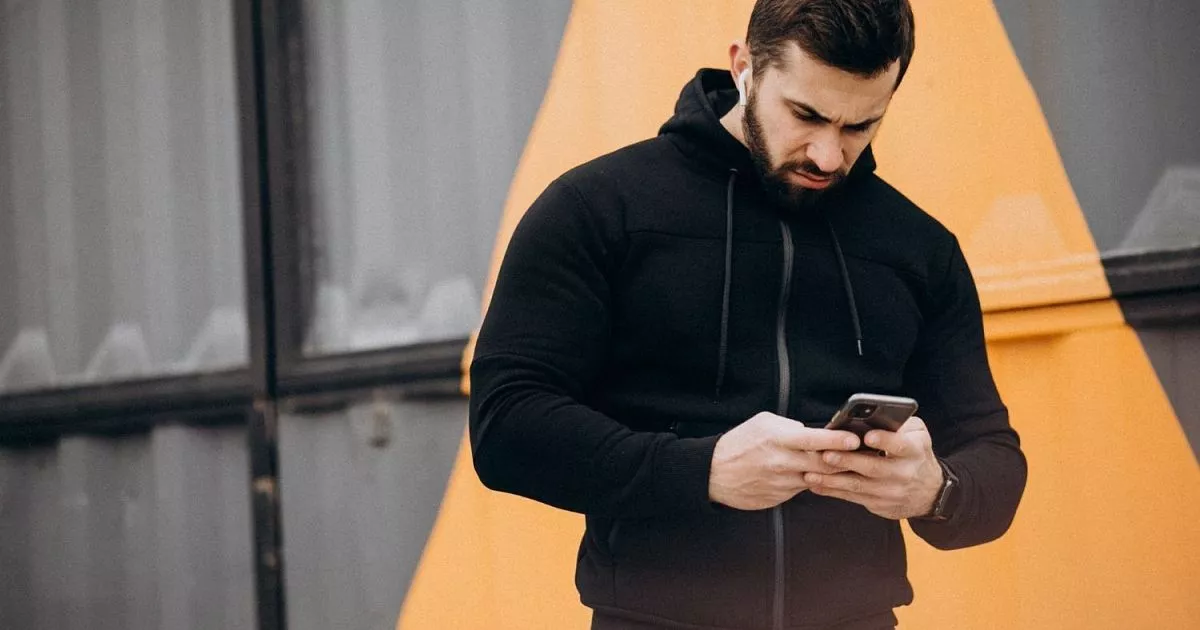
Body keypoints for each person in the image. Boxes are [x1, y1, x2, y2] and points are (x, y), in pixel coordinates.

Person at [468, 1, 1028, 628]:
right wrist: (702, 472)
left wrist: (935, 490)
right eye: (806, 115)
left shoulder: (918, 248)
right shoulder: (597, 209)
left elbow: (994, 459)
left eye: (860, 126)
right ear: (744, 67)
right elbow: (506, 425)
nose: (827, 156)